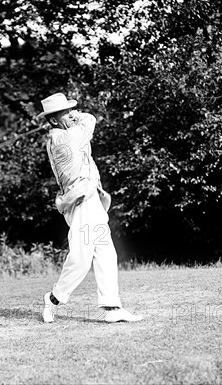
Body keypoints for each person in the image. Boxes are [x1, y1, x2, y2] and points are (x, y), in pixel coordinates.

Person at [38, 92, 143, 323]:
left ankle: (112, 308)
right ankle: (54, 299)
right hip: (80, 201)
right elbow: (91, 120)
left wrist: (69, 115)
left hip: (90, 197)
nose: (72, 114)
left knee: (106, 251)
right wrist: (78, 115)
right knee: (81, 258)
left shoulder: (63, 132)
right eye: (66, 112)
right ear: (54, 120)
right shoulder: (64, 139)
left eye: (71, 110)